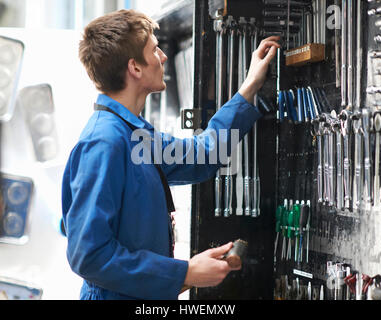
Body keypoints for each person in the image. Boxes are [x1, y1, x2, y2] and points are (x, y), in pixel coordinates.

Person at [61, 9, 280, 300]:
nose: (163, 57)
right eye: (154, 50)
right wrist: (186, 273)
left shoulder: (135, 136)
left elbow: (204, 155)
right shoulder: (104, 143)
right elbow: (89, 255)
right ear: (135, 68)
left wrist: (250, 86)